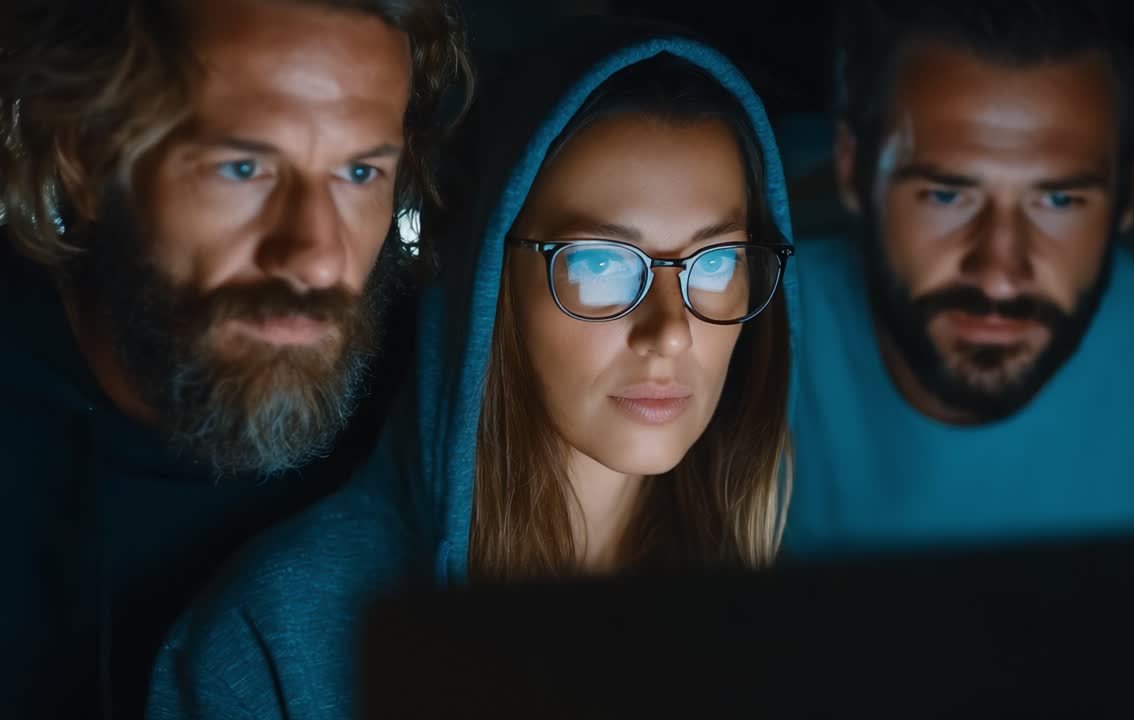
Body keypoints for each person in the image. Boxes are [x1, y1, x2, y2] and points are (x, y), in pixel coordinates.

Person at [144, 19, 798, 719]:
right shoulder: (281, 635)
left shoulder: (782, 616)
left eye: (717, 262)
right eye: (600, 264)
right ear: (484, 276)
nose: (669, 332)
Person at [0, 0, 469, 717]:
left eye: (359, 174)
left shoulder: (438, 393)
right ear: (84, 160)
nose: (313, 257)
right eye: (244, 167)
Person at [783, 0, 1134, 555]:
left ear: (1127, 193)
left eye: (1059, 200)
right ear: (853, 168)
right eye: (947, 195)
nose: (999, 275)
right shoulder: (726, 355)